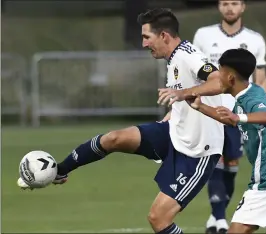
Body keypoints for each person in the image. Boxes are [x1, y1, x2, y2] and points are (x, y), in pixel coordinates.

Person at [18, 8, 226, 234]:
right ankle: (60, 170)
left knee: (158, 219)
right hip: (174, 132)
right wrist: (178, 107)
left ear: (164, 36)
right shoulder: (174, 58)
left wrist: (182, 93)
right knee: (113, 139)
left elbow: (218, 82)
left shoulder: (189, 55)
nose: (144, 44)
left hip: (197, 152)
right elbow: (189, 97)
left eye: (147, 37)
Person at [158, 48, 266, 234]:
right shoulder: (249, 92)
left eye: (220, 74)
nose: (217, 80)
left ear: (231, 78)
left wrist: (238, 118)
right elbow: (229, 119)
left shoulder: (252, 98)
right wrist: (201, 107)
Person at [193, 1, 266, 232]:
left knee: (232, 164)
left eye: (234, 3)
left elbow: (261, 78)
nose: (230, 8)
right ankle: (219, 219)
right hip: (211, 109)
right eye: (225, 3)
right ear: (219, 6)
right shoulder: (203, 35)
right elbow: (195, 73)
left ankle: (215, 218)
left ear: (243, 7)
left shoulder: (255, 39)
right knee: (214, 161)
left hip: (239, 113)